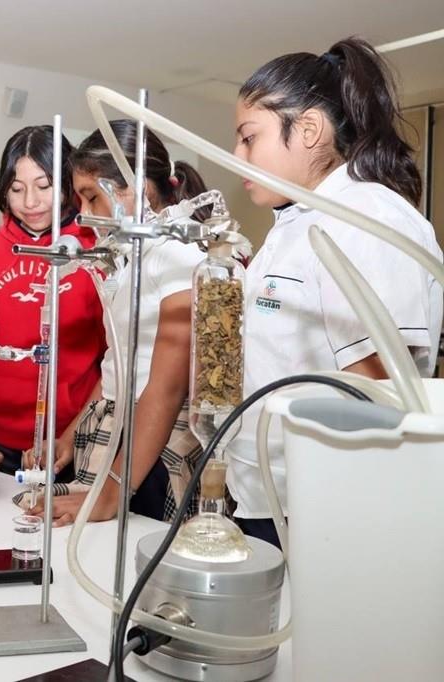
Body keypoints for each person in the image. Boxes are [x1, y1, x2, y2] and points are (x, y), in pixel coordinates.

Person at [228, 37, 443, 547]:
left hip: (323, 506)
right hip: (269, 493)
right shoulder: (296, 221)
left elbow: (375, 393)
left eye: (247, 138)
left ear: (307, 129)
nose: (237, 156)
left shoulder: (365, 219)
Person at [33, 121, 214, 524]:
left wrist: (114, 491)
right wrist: (69, 433)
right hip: (115, 431)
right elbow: (119, 360)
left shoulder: (180, 257)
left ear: (133, 188)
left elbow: (167, 387)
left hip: (153, 441)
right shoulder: (132, 259)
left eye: (91, 197)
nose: (82, 215)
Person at [0, 125, 106, 474]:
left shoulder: (95, 252)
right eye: (17, 189)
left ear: (69, 183)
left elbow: (115, 362)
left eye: (44, 187)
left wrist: (70, 434)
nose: (30, 202)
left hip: (67, 441)